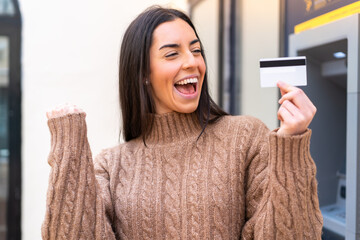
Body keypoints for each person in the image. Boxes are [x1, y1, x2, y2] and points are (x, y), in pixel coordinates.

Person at [42, 6, 323, 240]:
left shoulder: (245, 137)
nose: (192, 62)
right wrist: (70, 146)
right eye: (172, 53)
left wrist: (291, 145)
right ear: (143, 73)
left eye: (197, 50)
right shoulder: (111, 165)